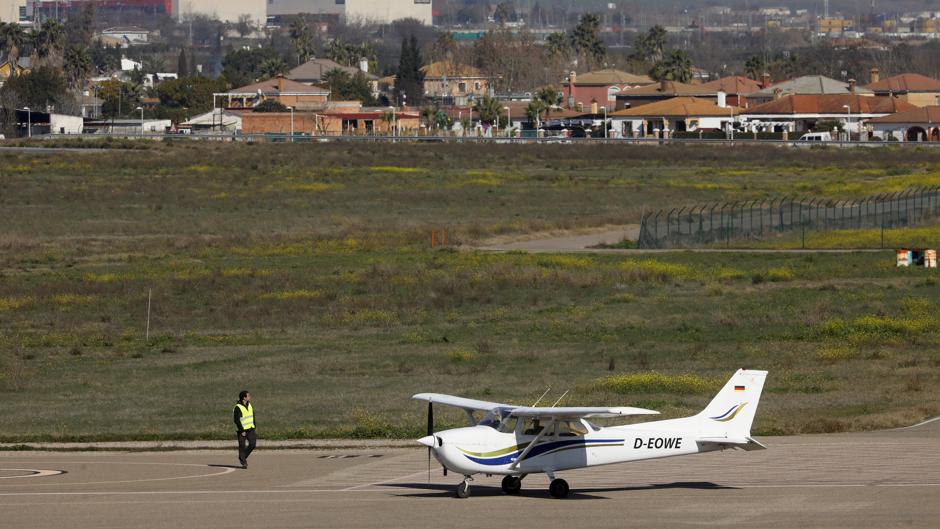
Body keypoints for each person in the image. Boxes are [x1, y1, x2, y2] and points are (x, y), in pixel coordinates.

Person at [234, 390, 256, 469]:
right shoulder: (238, 407)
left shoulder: (249, 405)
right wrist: (242, 430)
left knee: (253, 444)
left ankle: (242, 457)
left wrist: (254, 425)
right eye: (248, 396)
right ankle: (243, 461)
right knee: (242, 445)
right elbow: (237, 420)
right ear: (244, 397)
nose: (250, 397)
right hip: (242, 430)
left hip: (251, 429)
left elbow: (252, 415)